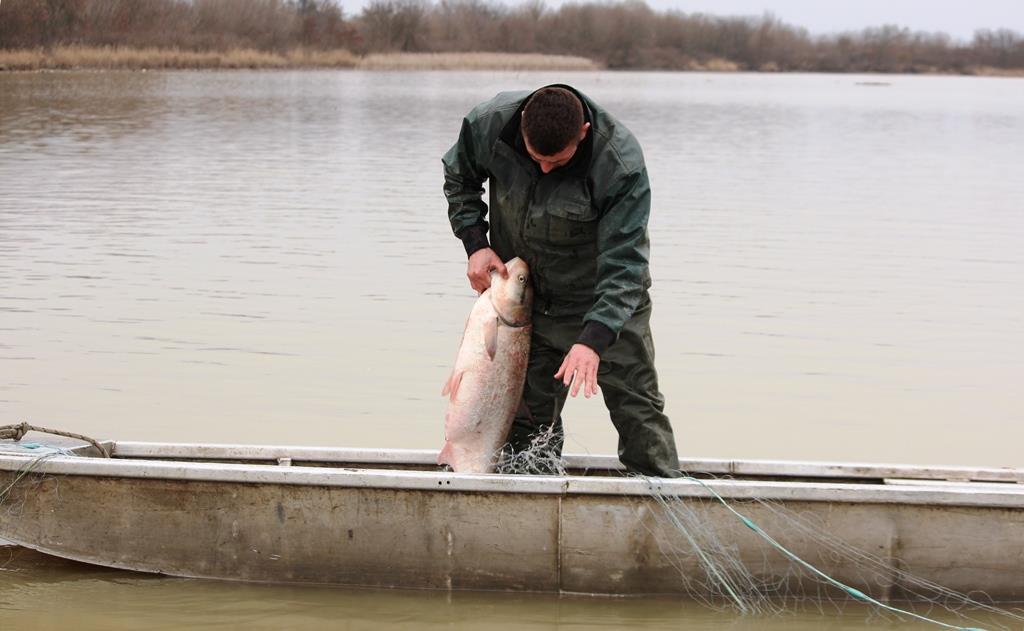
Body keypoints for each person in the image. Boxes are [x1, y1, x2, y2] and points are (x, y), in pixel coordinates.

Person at [442, 84, 680, 478]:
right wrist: (476, 244)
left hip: (605, 300)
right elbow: (460, 176)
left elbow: (625, 261)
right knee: (528, 417)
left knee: (636, 405)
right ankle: (527, 498)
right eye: (537, 159)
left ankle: (661, 496)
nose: (545, 170)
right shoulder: (489, 125)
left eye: (557, 161)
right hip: (527, 301)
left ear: (583, 132)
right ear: (522, 127)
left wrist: (594, 338)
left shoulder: (619, 163)